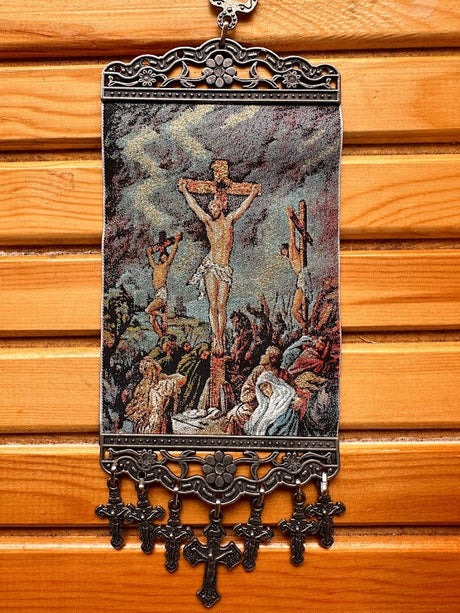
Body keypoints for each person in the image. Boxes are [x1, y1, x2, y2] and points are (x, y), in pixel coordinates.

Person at [179, 178, 260, 357]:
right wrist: (185, 191)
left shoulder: (229, 220)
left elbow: (243, 208)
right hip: (211, 267)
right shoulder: (209, 223)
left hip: (224, 269)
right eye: (210, 209)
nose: (211, 210)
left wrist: (253, 193)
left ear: (221, 207)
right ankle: (216, 338)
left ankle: (220, 337)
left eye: (214, 207)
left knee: (222, 305)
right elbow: (195, 207)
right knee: (213, 304)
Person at [223, 346, 288, 435]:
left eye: (265, 354)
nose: (262, 356)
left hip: (276, 405)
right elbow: (247, 389)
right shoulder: (258, 370)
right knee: (235, 413)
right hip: (257, 404)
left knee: (238, 413)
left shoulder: (283, 373)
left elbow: (291, 389)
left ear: (272, 359)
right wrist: (258, 394)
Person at [125, 356, 185, 434]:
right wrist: (167, 377)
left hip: (144, 423)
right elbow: (182, 379)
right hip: (156, 422)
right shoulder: (163, 385)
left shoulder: (142, 385)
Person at [280, 206, 313, 332]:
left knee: (294, 310)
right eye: (282, 253)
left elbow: (292, 235)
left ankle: (305, 327)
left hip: (303, 277)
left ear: (286, 248)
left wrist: (290, 217)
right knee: (300, 307)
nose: (284, 254)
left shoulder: (293, 250)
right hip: (302, 278)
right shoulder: (290, 257)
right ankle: (305, 326)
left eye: (283, 251)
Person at [145, 232, 182, 336]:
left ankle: (162, 316)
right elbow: (150, 260)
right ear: (160, 257)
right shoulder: (156, 266)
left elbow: (173, 254)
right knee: (152, 321)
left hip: (161, 293)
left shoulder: (166, 266)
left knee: (148, 310)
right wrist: (149, 253)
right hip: (157, 293)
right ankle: (161, 337)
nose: (165, 258)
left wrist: (176, 242)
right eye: (164, 257)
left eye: (166, 257)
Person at [244, 371, 299, 437]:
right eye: (262, 390)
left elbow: (279, 428)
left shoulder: (286, 399)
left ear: (272, 383)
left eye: (265, 386)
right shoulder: (266, 405)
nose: (265, 391)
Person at [176, 342, 211, 413]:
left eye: (207, 355)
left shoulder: (203, 362)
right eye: (204, 355)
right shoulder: (190, 359)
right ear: (199, 352)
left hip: (197, 380)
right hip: (186, 381)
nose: (205, 357)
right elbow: (181, 369)